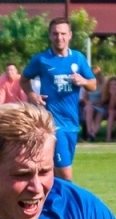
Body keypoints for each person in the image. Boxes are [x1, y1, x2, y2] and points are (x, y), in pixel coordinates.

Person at [21, 17, 96, 180]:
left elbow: (93, 84)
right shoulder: (42, 59)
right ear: (50, 35)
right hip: (52, 124)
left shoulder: (78, 58)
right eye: (55, 33)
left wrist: (83, 81)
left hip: (72, 124)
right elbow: (24, 79)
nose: (59, 37)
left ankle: (49, 202)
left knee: (56, 173)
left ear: (70, 35)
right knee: (65, 174)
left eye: (63, 33)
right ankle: (68, 204)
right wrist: (32, 95)